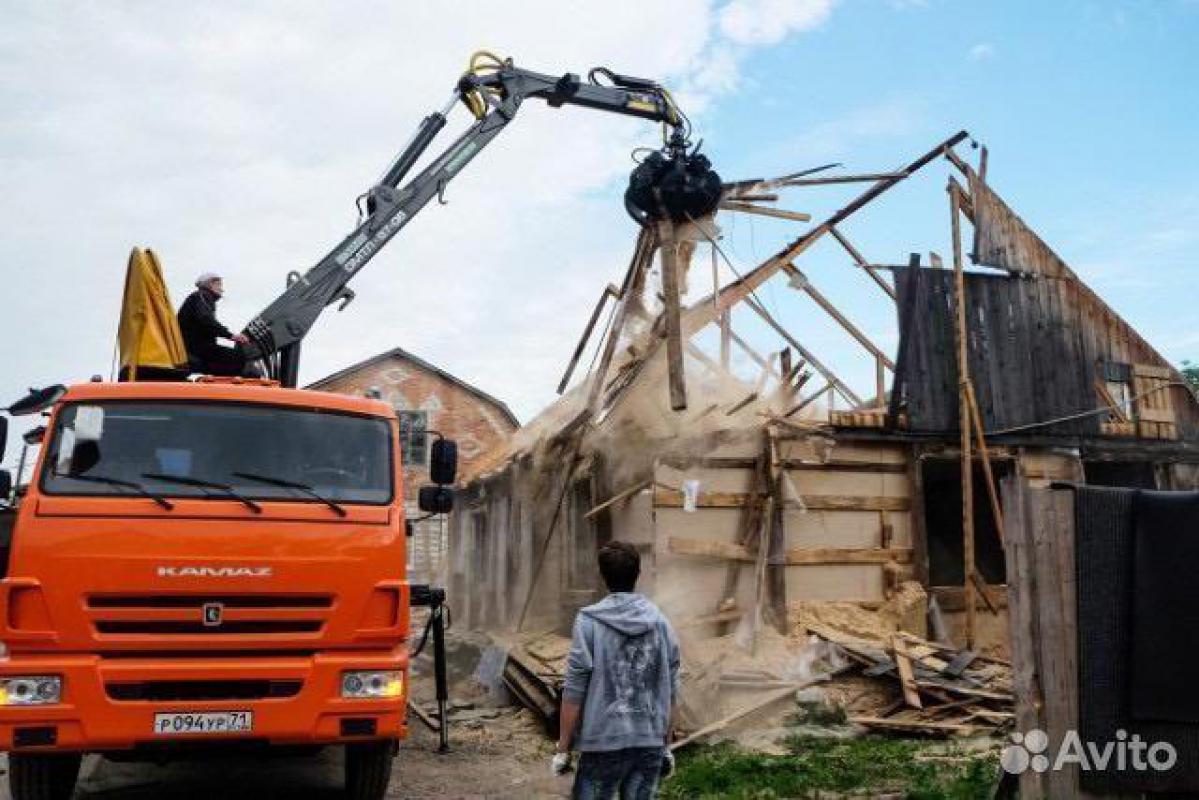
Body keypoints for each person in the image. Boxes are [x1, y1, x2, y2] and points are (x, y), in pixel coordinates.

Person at [553, 540, 680, 800]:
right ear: (638, 574)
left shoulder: (589, 622)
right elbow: (671, 688)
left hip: (602, 742)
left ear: (602, 576)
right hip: (649, 742)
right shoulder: (660, 621)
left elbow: (575, 688)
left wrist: (563, 748)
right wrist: (665, 743)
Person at [178, 272, 251, 376]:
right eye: (219, 285)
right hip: (196, 348)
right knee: (237, 358)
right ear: (210, 284)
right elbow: (206, 320)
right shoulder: (202, 295)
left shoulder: (199, 297)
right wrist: (232, 336)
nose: (222, 289)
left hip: (194, 348)